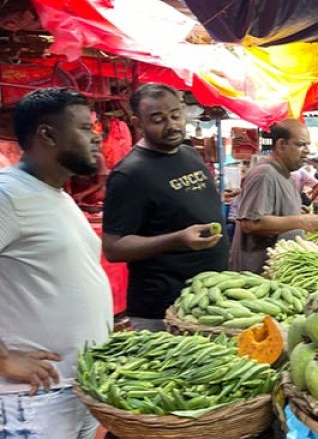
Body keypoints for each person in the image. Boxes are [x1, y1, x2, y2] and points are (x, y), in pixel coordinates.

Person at [0, 88, 113, 436]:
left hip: (73, 386)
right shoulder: (8, 194)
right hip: (34, 397)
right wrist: (3, 359)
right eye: (84, 128)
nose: (96, 138)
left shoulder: (54, 193)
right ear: (47, 134)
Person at [102, 83, 228, 331]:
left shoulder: (189, 154)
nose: (171, 125)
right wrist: (177, 239)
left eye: (175, 115)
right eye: (158, 119)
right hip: (162, 309)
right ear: (138, 123)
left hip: (207, 302)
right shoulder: (130, 174)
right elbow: (113, 248)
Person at [230, 120, 318, 273]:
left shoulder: (285, 174)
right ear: (281, 145)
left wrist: (293, 212)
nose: (307, 150)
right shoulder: (265, 174)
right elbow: (251, 223)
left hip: (277, 270)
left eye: (308, 145)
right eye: (300, 145)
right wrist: (300, 221)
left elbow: (271, 212)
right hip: (258, 274)